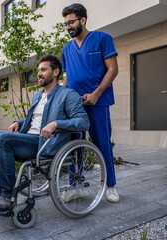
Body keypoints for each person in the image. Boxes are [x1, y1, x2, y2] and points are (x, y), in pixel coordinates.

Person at [0, 54, 90, 211]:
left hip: (45, 143)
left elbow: (83, 121)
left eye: (43, 70)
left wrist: (56, 124)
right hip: (30, 138)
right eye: (38, 70)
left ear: (56, 72)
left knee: (2, 139)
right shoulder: (37, 95)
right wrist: (18, 123)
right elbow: (34, 120)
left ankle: (7, 196)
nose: (39, 74)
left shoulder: (68, 94)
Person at [61, 3, 120, 202]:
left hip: (98, 102)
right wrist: (61, 97)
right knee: (75, 145)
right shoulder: (67, 49)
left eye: (71, 22)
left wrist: (96, 93)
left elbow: (113, 69)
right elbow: (68, 78)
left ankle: (110, 185)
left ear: (83, 20)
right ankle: (75, 185)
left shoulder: (102, 39)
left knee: (102, 143)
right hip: (75, 105)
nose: (68, 26)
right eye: (66, 23)